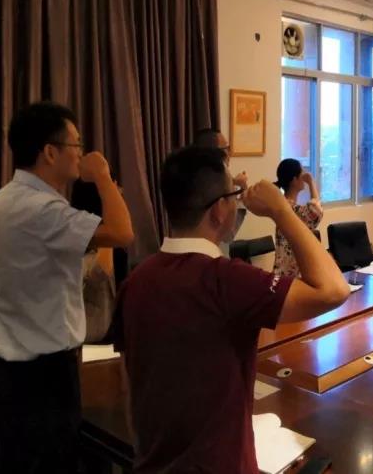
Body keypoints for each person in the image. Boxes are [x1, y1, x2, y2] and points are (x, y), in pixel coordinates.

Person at [114, 146, 350, 474]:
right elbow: (334, 290)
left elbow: (130, 388)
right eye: (232, 196)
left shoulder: (135, 281)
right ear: (218, 211)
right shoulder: (228, 280)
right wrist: (282, 211)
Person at [0, 101, 133, 474]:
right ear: (50, 152)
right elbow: (123, 233)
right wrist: (103, 177)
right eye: (76, 144)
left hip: (3, 368)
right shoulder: (44, 210)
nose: (81, 153)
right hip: (43, 379)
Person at [71, 178, 130, 343]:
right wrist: (109, 216)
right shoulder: (75, 240)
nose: (120, 192)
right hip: (86, 341)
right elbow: (100, 271)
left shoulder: (117, 248)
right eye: (114, 187)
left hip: (111, 338)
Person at [192, 127, 249, 238]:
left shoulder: (192, 179)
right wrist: (242, 193)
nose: (230, 153)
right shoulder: (213, 189)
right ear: (214, 153)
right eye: (227, 148)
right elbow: (228, 234)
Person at [272, 158, 323, 278]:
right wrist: (311, 182)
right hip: (288, 274)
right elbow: (316, 211)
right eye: (302, 174)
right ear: (294, 180)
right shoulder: (290, 209)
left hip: (285, 270)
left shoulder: (284, 204)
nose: (304, 177)